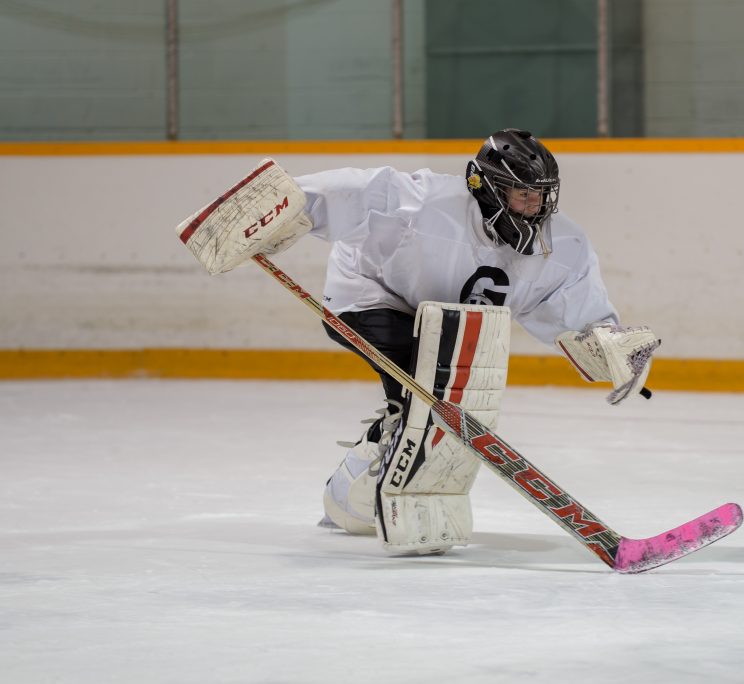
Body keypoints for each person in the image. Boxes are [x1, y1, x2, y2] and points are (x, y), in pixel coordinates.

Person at [176, 128, 660, 557]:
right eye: (522, 196)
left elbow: (578, 310)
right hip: (369, 296)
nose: (535, 208)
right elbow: (345, 193)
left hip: (447, 324)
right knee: (421, 401)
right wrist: (274, 209)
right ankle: (357, 494)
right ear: (485, 188)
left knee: (425, 408)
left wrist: (608, 343)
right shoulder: (423, 201)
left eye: (542, 197)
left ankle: (348, 500)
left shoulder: (563, 245)